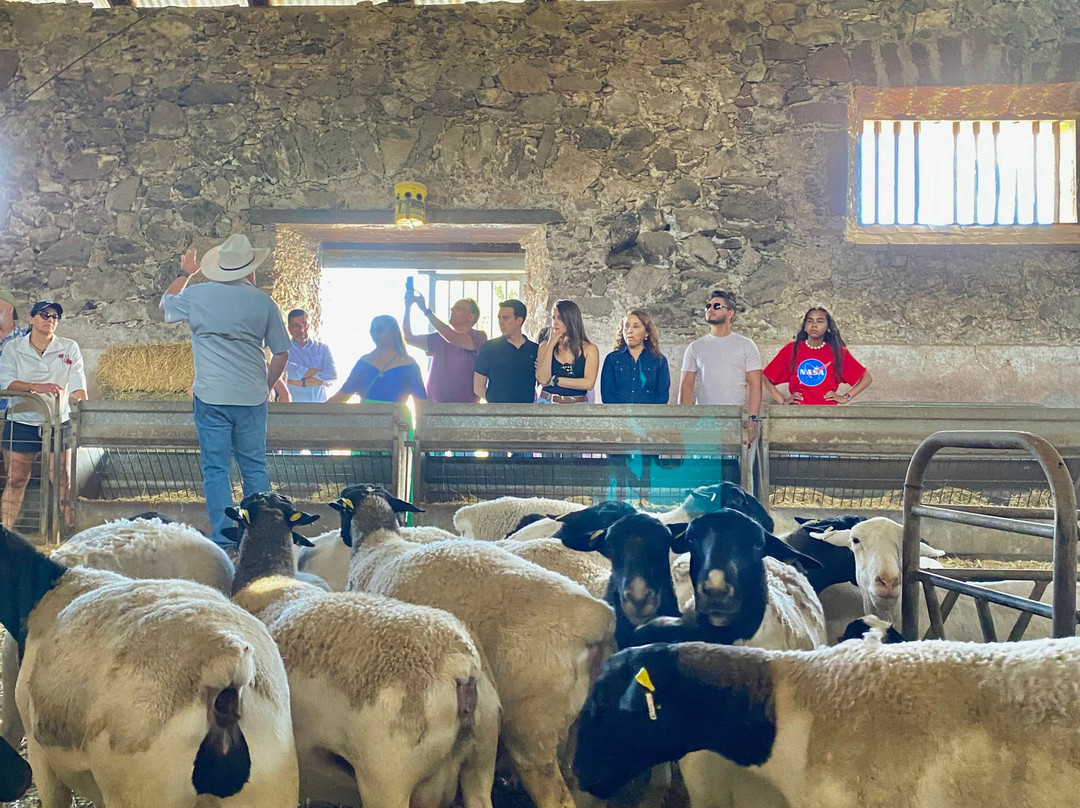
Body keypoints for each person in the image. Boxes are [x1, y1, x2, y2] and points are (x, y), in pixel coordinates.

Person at [160, 234, 291, 550]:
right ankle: (260, 534)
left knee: (216, 468)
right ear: (250, 269)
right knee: (254, 466)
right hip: (251, 397)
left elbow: (165, 305)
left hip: (211, 396)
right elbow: (282, 353)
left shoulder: (199, 294)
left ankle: (225, 537)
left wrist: (185, 272)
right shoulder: (263, 302)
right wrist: (267, 384)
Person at [0, 301, 87, 529]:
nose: (51, 320)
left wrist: (82, 407)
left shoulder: (69, 347)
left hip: (58, 422)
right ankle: (5, 534)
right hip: (22, 420)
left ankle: (70, 531)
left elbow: (78, 383)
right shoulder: (13, 348)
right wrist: (36, 387)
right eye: (44, 314)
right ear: (30, 319)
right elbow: (5, 382)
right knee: (17, 479)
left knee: (63, 480)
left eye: (55, 316)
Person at [679, 289, 763, 440]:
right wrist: (684, 420)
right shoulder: (695, 347)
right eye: (708, 306)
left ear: (730, 313)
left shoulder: (746, 345)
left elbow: (755, 384)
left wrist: (752, 419)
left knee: (736, 463)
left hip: (736, 419)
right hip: (703, 420)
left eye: (717, 306)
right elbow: (686, 386)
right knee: (703, 462)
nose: (710, 309)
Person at [763, 306, 873, 406]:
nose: (814, 325)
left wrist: (845, 398)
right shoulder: (792, 349)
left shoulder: (838, 352)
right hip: (797, 412)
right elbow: (766, 378)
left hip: (827, 413)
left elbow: (866, 379)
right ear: (805, 326)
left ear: (827, 327)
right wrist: (782, 400)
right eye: (810, 321)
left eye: (820, 321)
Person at [404, 292, 487, 403]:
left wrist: (426, 311)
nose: (452, 309)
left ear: (471, 316)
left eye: (459, 308)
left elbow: (452, 337)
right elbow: (409, 338)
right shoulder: (437, 338)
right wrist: (407, 308)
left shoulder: (478, 337)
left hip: (466, 408)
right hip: (434, 407)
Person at [329, 315, 427, 404]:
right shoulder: (364, 362)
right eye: (372, 331)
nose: (375, 334)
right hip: (365, 420)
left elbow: (421, 405)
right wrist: (316, 414)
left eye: (380, 330)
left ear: (394, 332)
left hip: (398, 422)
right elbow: (342, 395)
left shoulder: (410, 365)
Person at [474, 299, 539, 403]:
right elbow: (478, 387)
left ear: (519, 320)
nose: (501, 323)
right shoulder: (489, 348)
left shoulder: (535, 349)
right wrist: (495, 403)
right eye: (499, 318)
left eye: (505, 318)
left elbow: (543, 382)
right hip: (496, 413)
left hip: (526, 413)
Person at [600, 309, 671, 404]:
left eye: (636, 326)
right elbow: (607, 395)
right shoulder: (612, 359)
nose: (630, 331)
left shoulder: (659, 360)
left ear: (646, 333)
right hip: (619, 416)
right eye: (626, 326)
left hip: (649, 416)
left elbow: (662, 396)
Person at [535, 300, 599, 404]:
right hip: (548, 402)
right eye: (553, 318)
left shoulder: (590, 349)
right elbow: (543, 379)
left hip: (577, 404)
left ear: (571, 319)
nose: (555, 322)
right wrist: (550, 344)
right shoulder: (544, 347)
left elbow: (588, 383)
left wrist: (555, 380)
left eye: (560, 318)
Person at [284, 308, 337, 402]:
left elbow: (332, 375)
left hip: (319, 407)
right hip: (294, 409)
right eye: (296, 326)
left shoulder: (323, 348)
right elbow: (285, 371)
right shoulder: (283, 350)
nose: (302, 330)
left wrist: (301, 383)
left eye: (305, 325)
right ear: (289, 329)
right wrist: (319, 373)